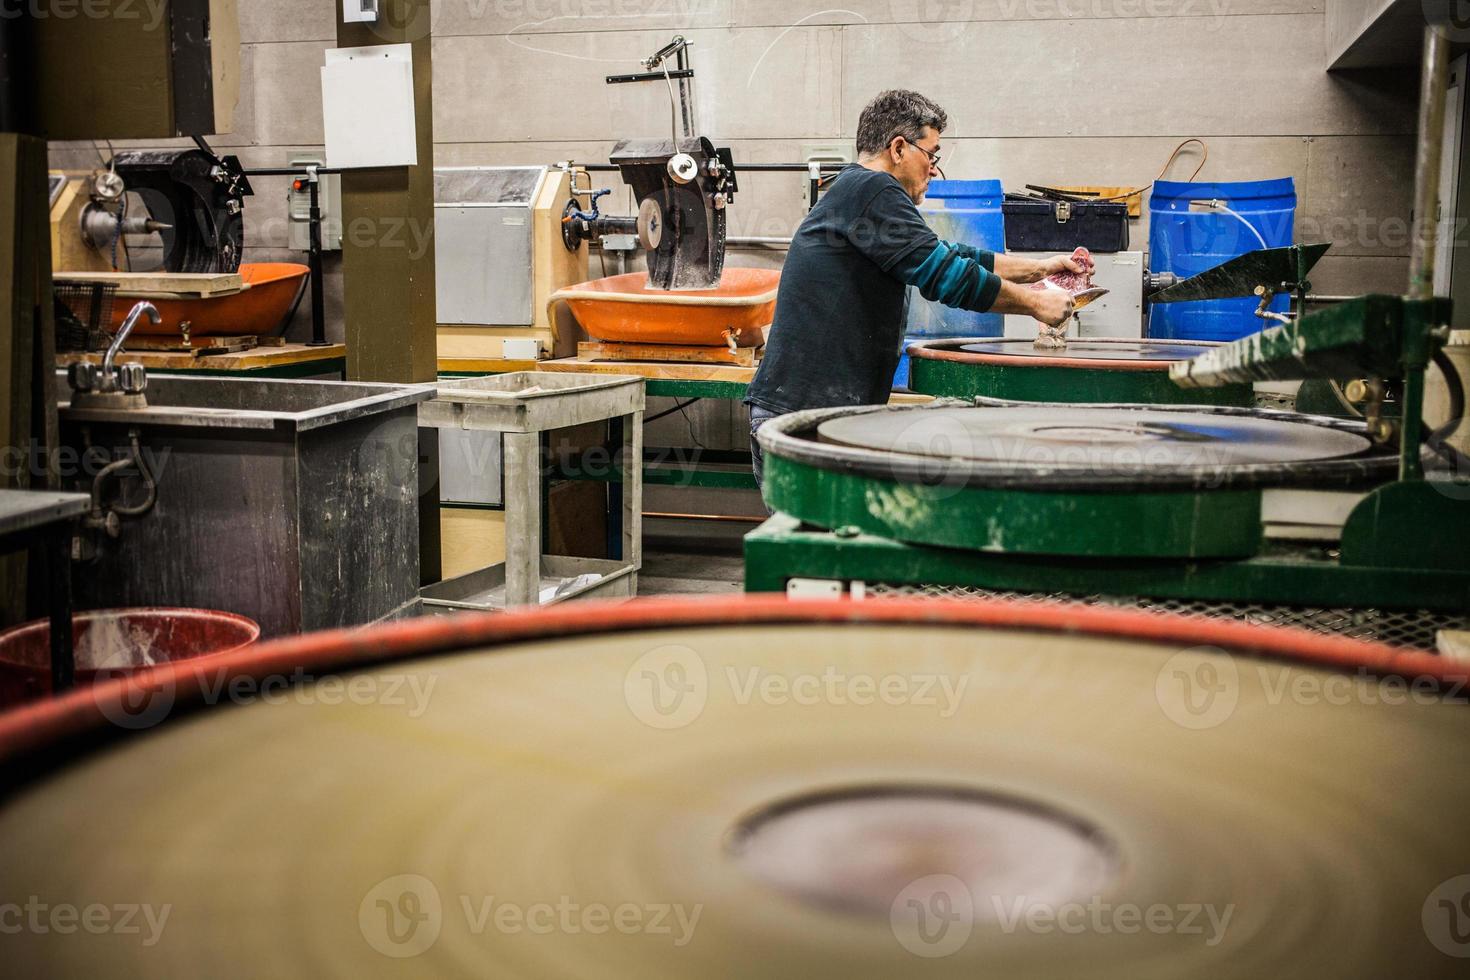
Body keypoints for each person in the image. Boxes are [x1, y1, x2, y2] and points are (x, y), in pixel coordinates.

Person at [744, 89, 1089, 489]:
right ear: (898, 148)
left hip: (812, 412)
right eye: (932, 154)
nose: (934, 170)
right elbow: (945, 275)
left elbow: (950, 254)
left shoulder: (858, 192)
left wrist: (1040, 269)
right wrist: (1036, 306)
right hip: (802, 417)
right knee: (820, 547)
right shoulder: (873, 190)